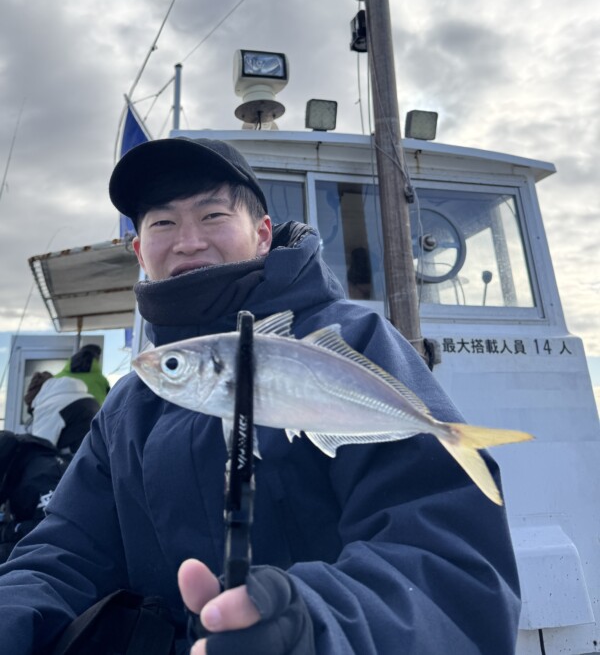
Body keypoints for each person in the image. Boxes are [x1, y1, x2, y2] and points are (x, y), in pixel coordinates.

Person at [0, 138, 521, 654]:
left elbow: (449, 561)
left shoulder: (354, 341)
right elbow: (64, 551)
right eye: (162, 223)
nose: (187, 242)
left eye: (212, 216)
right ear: (140, 250)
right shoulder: (129, 407)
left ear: (263, 234)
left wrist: (313, 629)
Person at [0, 373, 100, 563]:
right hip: (91, 463)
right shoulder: (77, 395)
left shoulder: (47, 404)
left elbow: (41, 443)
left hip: (72, 472)